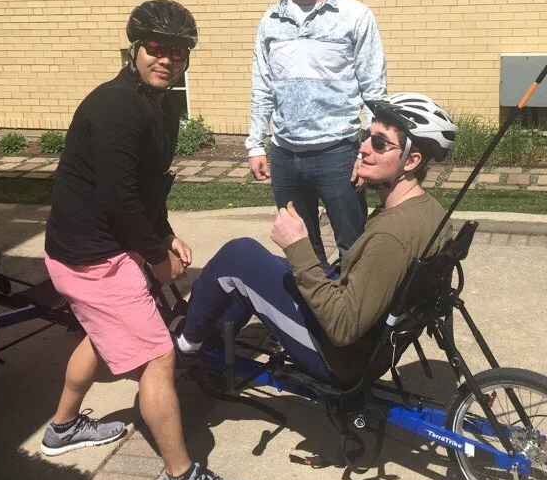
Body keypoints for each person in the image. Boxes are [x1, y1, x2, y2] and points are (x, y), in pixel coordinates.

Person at [42, 0, 251, 480]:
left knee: (101, 333)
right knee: (159, 355)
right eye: (157, 48)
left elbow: (144, 189)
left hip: (93, 249)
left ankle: (62, 428)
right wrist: (157, 256)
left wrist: (167, 233)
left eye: (179, 52)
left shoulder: (156, 107)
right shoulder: (116, 106)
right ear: (134, 48)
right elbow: (119, 199)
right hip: (91, 257)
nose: (168, 59)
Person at [174, 93, 458, 384]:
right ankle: (213, 336)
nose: (362, 149)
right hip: (370, 344)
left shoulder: (391, 237)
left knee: (237, 258)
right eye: (366, 136)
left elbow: (342, 327)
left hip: (338, 358)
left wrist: (298, 247)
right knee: (258, 264)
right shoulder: (427, 210)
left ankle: (184, 347)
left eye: (379, 143)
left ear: (411, 161)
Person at [246, 0, 388, 270]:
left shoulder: (355, 16)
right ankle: (313, 323)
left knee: (353, 247)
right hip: (284, 156)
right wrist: (254, 144)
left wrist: (367, 151)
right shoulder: (270, 21)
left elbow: (374, 90)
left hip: (338, 154)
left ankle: (355, 323)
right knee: (302, 252)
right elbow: (262, 85)